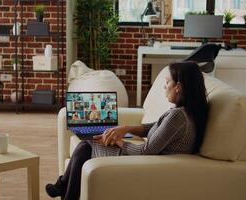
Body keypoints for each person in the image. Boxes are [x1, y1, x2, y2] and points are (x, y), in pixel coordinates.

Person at [45, 61, 209, 199]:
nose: (164, 87)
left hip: (146, 163)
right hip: (153, 159)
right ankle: (63, 185)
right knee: (88, 143)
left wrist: (117, 141)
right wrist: (125, 128)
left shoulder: (178, 116)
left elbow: (145, 151)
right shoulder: (187, 112)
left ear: (178, 87)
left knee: (86, 145)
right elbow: (153, 127)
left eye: (167, 82)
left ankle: (63, 186)